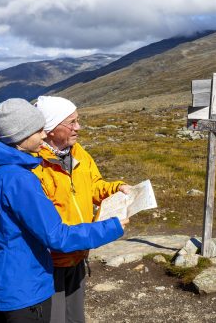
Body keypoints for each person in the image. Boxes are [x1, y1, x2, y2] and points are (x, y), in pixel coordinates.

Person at [0, 98, 129, 323]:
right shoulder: (22, 177)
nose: (43, 135)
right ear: (23, 135)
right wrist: (112, 226)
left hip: (1, 277)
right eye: (39, 131)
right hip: (27, 283)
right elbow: (57, 236)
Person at [32, 95, 131, 323]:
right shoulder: (37, 165)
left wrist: (116, 188)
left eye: (78, 120)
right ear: (51, 129)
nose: (79, 127)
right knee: (53, 319)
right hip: (50, 262)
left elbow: (93, 185)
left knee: (75, 318)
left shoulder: (78, 152)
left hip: (78, 253)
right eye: (72, 122)